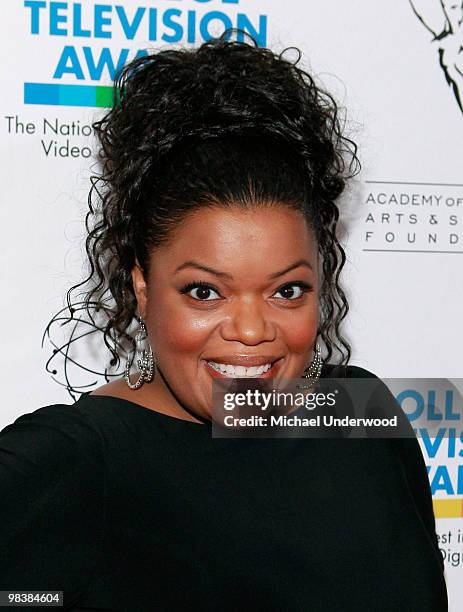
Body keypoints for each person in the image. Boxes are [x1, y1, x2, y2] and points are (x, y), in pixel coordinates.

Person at [0, 31, 447, 611]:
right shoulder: (75, 462)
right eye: (205, 291)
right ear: (142, 285)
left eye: (287, 290)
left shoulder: (361, 412)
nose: (252, 329)